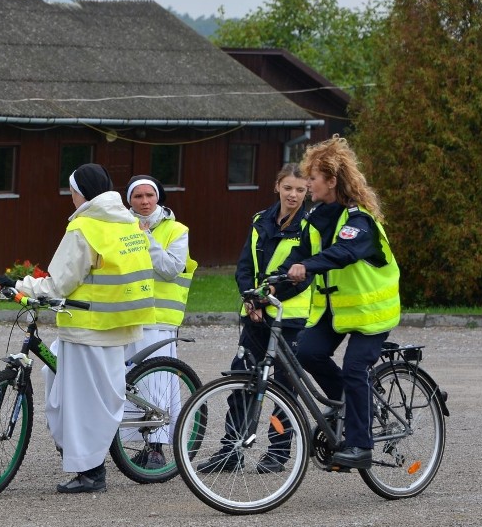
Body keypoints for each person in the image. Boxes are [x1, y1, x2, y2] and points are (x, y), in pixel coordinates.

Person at [0, 163, 155, 494]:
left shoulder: (86, 226)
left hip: (88, 327)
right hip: (116, 323)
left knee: (84, 402)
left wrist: (22, 287)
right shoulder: (127, 222)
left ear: (80, 192)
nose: (71, 197)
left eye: (72, 191)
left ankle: (91, 472)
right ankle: (75, 452)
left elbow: (61, 283)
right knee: (57, 378)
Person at [282, 136, 400, 470]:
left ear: (332, 181)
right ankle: (349, 406)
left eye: (313, 178)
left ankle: (361, 445)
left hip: (373, 314)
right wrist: (269, 289)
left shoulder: (359, 219)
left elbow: (344, 253)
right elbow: (298, 258)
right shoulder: (318, 216)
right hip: (337, 312)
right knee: (306, 352)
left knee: (354, 367)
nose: (308, 184)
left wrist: (308, 266)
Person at [197, 163, 312, 474]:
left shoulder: (310, 227)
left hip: (289, 319)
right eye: (288, 187)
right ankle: (231, 450)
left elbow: (300, 274)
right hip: (255, 317)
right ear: (277, 187)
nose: (293, 194)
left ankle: (278, 452)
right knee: (242, 381)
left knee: (284, 390)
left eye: (300, 190)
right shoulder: (260, 220)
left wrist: (266, 298)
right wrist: (251, 300)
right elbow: (244, 266)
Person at [121, 175, 198, 470]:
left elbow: (170, 268)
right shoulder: (119, 227)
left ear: (158, 198)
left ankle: (157, 447)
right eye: (137, 196)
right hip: (128, 316)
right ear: (129, 200)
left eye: (149, 196)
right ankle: (133, 443)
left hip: (159, 320)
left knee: (158, 383)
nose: (144, 202)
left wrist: (144, 238)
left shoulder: (177, 230)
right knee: (130, 385)